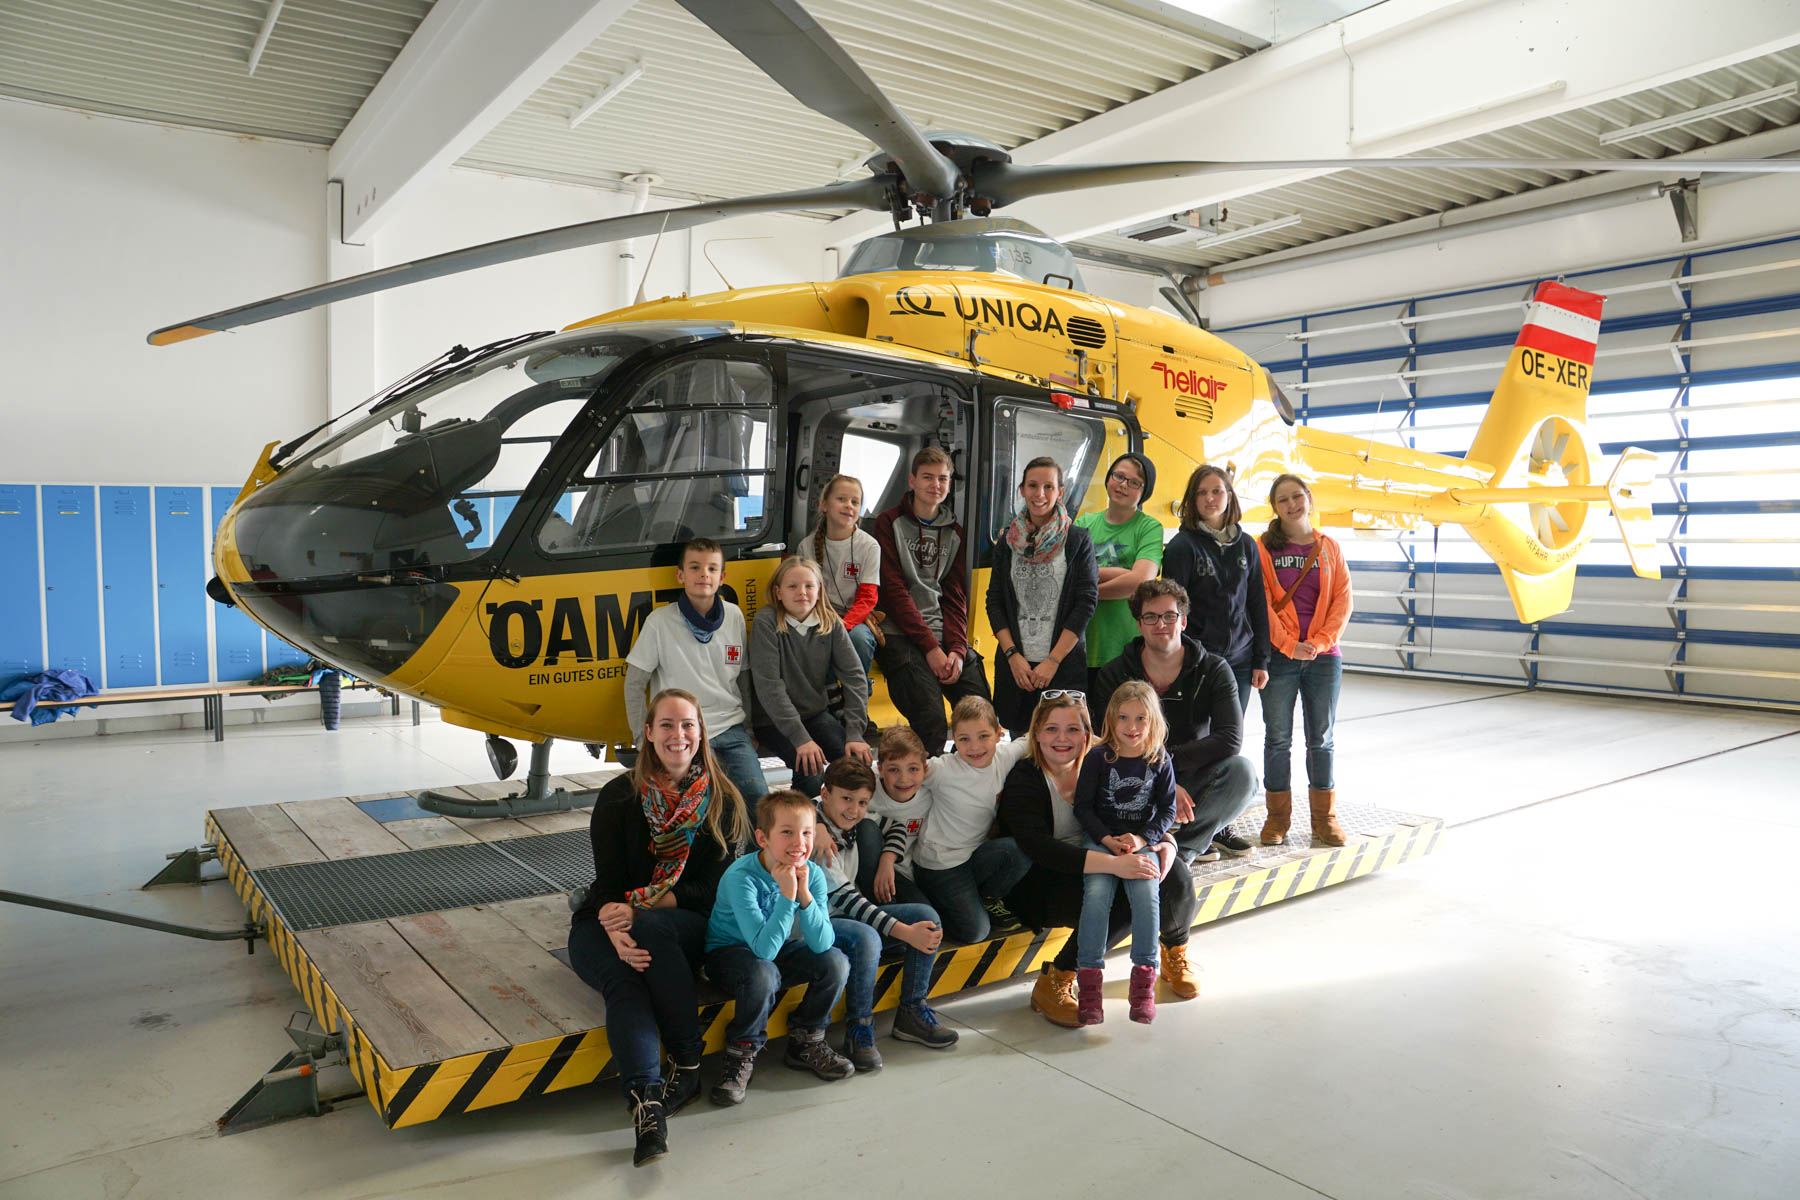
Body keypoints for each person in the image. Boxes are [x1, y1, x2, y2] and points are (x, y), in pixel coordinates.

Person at [567, 688, 750, 1167]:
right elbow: (607, 880)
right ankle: (649, 1107)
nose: (678, 735)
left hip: (682, 921)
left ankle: (687, 1064)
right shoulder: (619, 797)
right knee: (623, 981)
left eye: (687, 724)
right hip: (613, 914)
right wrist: (613, 928)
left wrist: (645, 912)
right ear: (648, 733)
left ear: (701, 732)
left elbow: (714, 887)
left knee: (654, 933)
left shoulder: (722, 799)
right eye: (666, 725)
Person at [996, 693, 1200, 1029]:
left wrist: (1166, 843)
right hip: (1043, 876)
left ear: (1088, 733)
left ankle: (1173, 953)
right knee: (1120, 896)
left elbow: (1144, 814)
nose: (1062, 739)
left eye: (1073, 729)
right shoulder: (1026, 777)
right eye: (1051, 729)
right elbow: (1040, 848)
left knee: (1170, 872)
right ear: (1036, 733)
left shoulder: (1103, 762)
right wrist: (1116, 865)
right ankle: (1058, 976)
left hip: (1105, 855)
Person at [704, 789, 855, 1105]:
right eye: (787, 833)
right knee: (763, 973)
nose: (799, 843)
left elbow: (822, 942)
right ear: (763, 838)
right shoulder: (740, 877)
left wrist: (804, 895)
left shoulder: (811, 873)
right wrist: (787, 897)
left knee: (835, 961)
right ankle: (741, 1054)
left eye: (806, 833)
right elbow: (762, 951)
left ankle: (806, 1040)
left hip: (775, 946)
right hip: (729, 953)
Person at [1093, 580, 1259, 864]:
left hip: (1193, 773)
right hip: (1135, 777)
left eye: (1170, 616)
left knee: (1243, 773)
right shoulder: (1115, 673)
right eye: (1151, 617)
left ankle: (1183, 849)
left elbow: (1230, 739)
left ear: (1183, 621)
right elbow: (1106, 740)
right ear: (1139, 624)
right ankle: (1193, 832)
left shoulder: (1214, 669)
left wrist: (1169, 769)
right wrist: (1163, 778)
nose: (1161, 624)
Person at [811, 758, 960, 1069]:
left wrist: (887, 861)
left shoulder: (844, 822)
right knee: (867, 935)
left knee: (926, 917)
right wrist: (904, 933)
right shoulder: (813, 835)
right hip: (816, 923)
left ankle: (912, 1012)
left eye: (862, 801)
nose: (854, 809)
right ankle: (859, 1027)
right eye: (846, 799)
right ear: (825, 795)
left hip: (843, 915)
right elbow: (847, 899)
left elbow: (895, 825)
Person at [625, 537, 767, 808]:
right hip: (687, 736)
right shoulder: (659, 622)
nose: (704, 574)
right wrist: (642, 738)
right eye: (695, 567)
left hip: (732, 730)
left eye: (712, 569)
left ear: (722, 577)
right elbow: (634, 683)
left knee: (759, 802)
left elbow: (743, 679)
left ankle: (751, 853)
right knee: (703, 808)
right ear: (680, 575)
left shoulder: (735, 616)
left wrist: (748, 727)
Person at [870, 446, 990, 754]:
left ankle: (966, 779)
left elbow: (955, 597)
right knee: (933, 723)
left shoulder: (954, 533)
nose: (935, 485)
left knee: (982, 716)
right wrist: (931, 648)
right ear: (911, 481)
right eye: (927, 477)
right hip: (900, 635)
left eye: (942, 479)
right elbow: (894, 592)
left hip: (942, 637)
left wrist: (957, 651)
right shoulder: (888, 523)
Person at [1072, 681, 1179, 1026]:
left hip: (1139, 842)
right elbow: (1083, 808)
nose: (1131, 727)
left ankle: (1143, 986)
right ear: (1111, 719)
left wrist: (1140, 837)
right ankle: (1089, 985)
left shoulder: (1159, 759)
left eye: (1140, 719)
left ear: (1153, 722)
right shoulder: (1098, 758)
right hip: (1102, 842)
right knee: (1098, 895)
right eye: (1123, 718)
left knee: (1147, 894)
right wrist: (1106, 839)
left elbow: (1166, 810)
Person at [1256, 473, 1353, 847]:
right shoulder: (1263, 548)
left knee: (1322, 739)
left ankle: (1324, 819)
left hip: (1324, 658)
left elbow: (1343, 600)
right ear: (1275, 507)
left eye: (1297, 497)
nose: (1292, 505)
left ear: (1309, 499)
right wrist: (1288, 645)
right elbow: (1260, 602)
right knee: (1277, 739)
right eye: (1284, 500)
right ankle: (1277, 819)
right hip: (1280, 658)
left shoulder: (1329, 547)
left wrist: (1319, 641)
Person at [987, 456, 1098, 733]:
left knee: (1062, 747)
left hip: (1062, 665)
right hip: (1016, 667)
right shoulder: (1007, 540)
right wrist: (1012, 655)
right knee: (1020, 749)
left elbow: (1086, 603)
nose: (1040, 494)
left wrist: (1053, 661)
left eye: (1049, 487)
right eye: (1033, 486)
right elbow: (995, 600)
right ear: (1022, 490)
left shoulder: (1077, 539)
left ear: (1060, 492)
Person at [910, 696, 1033, 943]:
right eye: (964, 739)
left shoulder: (1003, 757)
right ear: (953, 739)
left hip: (973, 857)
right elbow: (898, 770)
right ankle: (931, 900)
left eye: (983, 736)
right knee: (975, 932)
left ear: (999, 734)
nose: (975, 747)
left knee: (1020, 849)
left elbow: (1029, 738)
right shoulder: (943, 769)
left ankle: (985, 897)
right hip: (940, 865)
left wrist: (1091, 740)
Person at [748, 555, 872, 796]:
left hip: (814, 714)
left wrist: (855, 732)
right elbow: (769, 687)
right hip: (772, 721)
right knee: (811, 771)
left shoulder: (829, 622)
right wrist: (801, 739)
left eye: (809, 586)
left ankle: (839, 823)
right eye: (792, 586)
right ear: (778, 593)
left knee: (851, 765)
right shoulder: (767, 621)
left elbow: (855, 676)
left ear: (819, 591)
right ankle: (802, 824)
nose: (801, 592)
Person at [1161, 463, 1270, 716]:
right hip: (1199, 658)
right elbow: (1173, 609)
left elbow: (1256, 603)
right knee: (1199, 734)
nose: (1209, 498)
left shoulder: (1246, 545)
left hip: (1241, 660)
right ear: (1192, 499)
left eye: (1217, 491)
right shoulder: (1182, 547)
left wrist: (1261, 659)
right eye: (1201, 493)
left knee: (1231, 735)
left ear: (1229, 496)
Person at [1074, 452, 1165, 691]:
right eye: (1119, 476)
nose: (1124, 485)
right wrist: (1123, 573)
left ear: (1144, 491)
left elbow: (1141, 581)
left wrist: (1088, 592)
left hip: (1125, 648)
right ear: (1108, 479)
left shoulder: (1149, 527)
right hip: (1081, 643)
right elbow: (1071, 575)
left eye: (1135, 482)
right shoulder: (1084, 523)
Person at [806, 473, 882, 679]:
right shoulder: (806, 546)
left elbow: (868, 597)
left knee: (859, 639)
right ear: (824, 505)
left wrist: (844, 625)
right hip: (820, 615)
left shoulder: (869, 546)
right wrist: (828, 622)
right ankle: (826, 697)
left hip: (856, 620)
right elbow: (807, 596)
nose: (849, 505)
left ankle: (858, 696)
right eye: (841, 499)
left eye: (855, 502)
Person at [868, 724, 933, 907]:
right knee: (867, 828)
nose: (904, 779)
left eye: (913, 769)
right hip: (864, 871)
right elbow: (824, 798)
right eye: (894, 770)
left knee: (928, 915)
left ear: (925, 769)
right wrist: (820, 826)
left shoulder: (931, 793)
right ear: (880, 769)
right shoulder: (866, 784)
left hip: (902, 874)